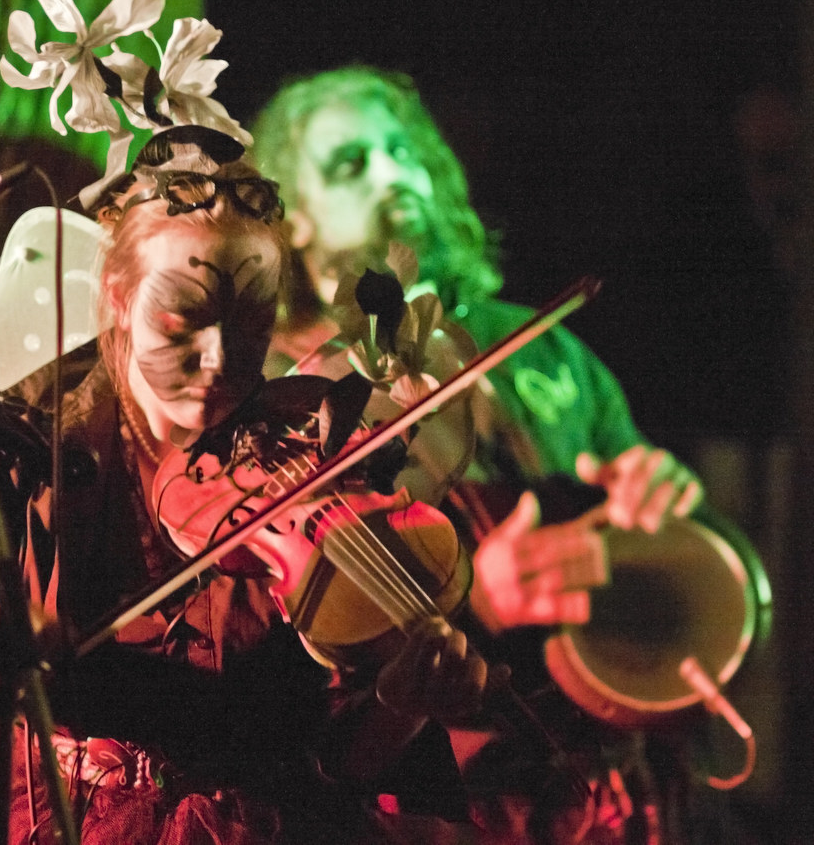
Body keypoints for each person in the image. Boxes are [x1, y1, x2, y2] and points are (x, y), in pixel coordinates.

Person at [0, 120, 497, 845]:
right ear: (118, 295)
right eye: (183, 319)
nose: (221, 359)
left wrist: (403, 705)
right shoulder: (38, 422)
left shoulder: (309, 464)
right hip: (54, 813)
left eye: (251, 323)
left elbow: (340, 765)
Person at [250, 65, 768, 843]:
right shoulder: (293, 389)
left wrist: (652, 493)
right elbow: (286, 654)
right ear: (295, 220)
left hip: (606, 780)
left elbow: (640, 487)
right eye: (351, 164)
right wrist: (470, 606)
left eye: (405, 150)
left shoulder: (542, 345)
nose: (395, 173)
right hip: (447, 798)